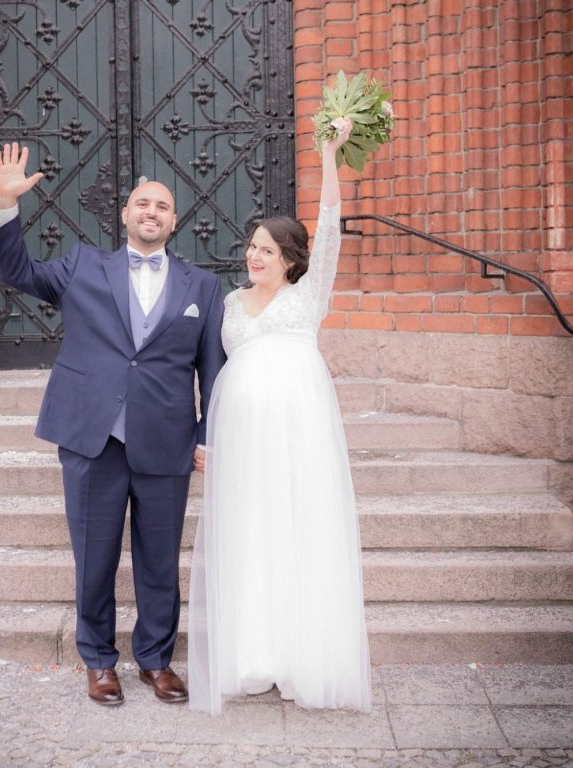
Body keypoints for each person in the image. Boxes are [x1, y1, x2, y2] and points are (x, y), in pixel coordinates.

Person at [0, 143, 226, 706]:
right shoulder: (81, 266)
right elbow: (15, 271)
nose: (151, 212)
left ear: (174, 220)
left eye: (162, 206)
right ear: (124, 214)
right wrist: (5, 203)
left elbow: (212, 371)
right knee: (94, 557)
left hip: (166, 442)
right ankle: (98, 660)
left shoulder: (203, 286)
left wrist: (206, 438)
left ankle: (155, 660)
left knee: (159, 561)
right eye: (142, 203)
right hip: (93, 437)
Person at [188, 119, 372, 713]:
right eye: (251, 248)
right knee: (250, 532)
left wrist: (327, 155)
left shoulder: (308, 295)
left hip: (299, 433)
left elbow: (329, 231)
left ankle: (302, 656)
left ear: (291, 260)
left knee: (297, 529)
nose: (254, 256)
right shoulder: (229, 302)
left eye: (267, 250)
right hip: (242, 437)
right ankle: (253, 655)